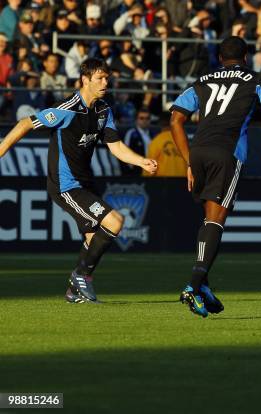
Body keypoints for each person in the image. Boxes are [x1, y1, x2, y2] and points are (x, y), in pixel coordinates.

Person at [0, 58, 158, 303]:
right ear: (85, 80)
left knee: (94, 239)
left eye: (107, 77)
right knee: (115, 221)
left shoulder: (103, 110)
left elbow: (115, 147)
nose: (106, 82)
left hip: (84, 183)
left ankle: (74, 291)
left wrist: (141, 161)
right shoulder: (68, 108)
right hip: (65, 186)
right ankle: (81, 276)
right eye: (100, 78)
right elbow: (25, 124)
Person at [170, 36, 261, 318]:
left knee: (208, 219)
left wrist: (187, 161)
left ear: (220, 58)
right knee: (215, 221)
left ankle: (204, 285)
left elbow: (175, 118)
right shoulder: (257, 79)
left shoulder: (203, 80)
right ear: (246, 56)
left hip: (197, 152)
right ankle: (193, 286)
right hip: (227, 153)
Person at [144, 112, 187, 177]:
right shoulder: (183, 139)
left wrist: (146, 180)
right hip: (183, 182)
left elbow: (149, 167)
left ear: (160, 124)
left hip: (163, 183)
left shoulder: (156, 141)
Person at [122, 107, 152, 175]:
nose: (145, 120)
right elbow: (125, 153)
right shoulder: (131, 133)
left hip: (150, 171)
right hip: (137, 171)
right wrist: (133, 170)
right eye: (141, 118)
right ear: (136, 120)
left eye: (147, 118)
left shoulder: (153, 134)